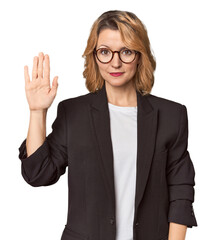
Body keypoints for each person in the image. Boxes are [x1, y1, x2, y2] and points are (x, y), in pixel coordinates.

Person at [18, 10, 198, 240]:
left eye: (126, 51)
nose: (115, 62)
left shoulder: (172, 115)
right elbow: (38, 174)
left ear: (139, 55)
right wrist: (37, 112)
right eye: (104, 52)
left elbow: (181, 190)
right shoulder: (74, 113)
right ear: (94, 56)